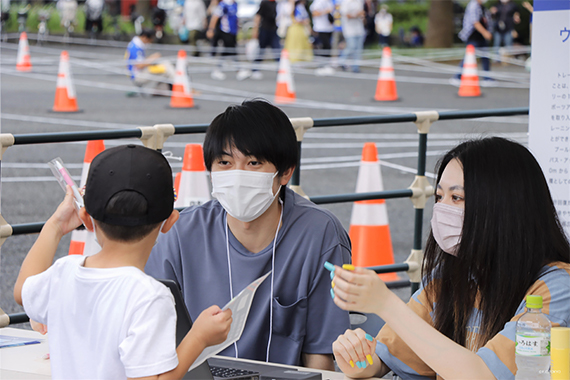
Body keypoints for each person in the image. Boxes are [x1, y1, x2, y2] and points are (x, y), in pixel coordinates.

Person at [329, 137, 570, 379]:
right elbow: (381, 361)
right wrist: (355, 356)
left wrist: (385, 304)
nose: (442, 209)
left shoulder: (555, 288)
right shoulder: (448, 278)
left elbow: (482, 376)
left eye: (456, 198)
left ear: (502, 207)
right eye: (439, 197)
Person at [146, 99, 351, 370]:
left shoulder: (320, 234)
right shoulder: (179, 235)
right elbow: (151, 345)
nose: (237, 175)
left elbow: (320, 354)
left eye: (253, 163)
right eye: (224, 162)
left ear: (285, 172)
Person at [13, 145, 233, 379]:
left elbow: (22, 291)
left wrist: (55, 225)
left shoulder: (63, 271)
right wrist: (199, 337)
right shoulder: (149, 296)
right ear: (170, 222)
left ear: (86, 219)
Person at [125, 29, 176, 93]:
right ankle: (180, 86)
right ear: (144, 37)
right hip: (138, 75)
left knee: (165, 64)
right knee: (167, 68)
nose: (149, 43)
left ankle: (161, 89)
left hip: (139, 72)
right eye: (149, 40)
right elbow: (140, 65)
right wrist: (153, 58)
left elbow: (140, 60)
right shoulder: (135, 47)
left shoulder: (135, 44)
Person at [456, 0, 492, 81]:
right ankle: (458, 76)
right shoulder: (473, 5)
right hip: (473, 36)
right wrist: (485, 32)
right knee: (469, 57)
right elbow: (475, 22)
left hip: (480, 37)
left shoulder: (482, 7)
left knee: (485, 57)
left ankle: (487, 77)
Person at [206, 0, 238, 80]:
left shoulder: (235, 4)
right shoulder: (223, 4)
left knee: (229, 51)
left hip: (233, 31)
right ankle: (237, 69)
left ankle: (236, 69)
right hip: (225, 30)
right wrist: (211, 29)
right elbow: (215, 16)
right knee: (229, 50)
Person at [339, 0, 365, 73]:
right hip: (349, 30)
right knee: (351, 47)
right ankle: (341, 61)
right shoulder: (345, 2)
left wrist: (359, 15)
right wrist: (357, 14)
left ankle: (355, 67)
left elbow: (362, 13)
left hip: (359, 29)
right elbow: (347, 15)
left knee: (358, 49)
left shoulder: (359, 2)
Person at [310, 0, 335, 75]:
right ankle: (321, 65)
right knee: (324, 46)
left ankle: (326, 65)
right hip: (320, 28)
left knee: (328, 47)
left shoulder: (329, 2)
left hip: (329, 28)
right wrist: (326, 11)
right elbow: (314, 13)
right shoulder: (318, 2)